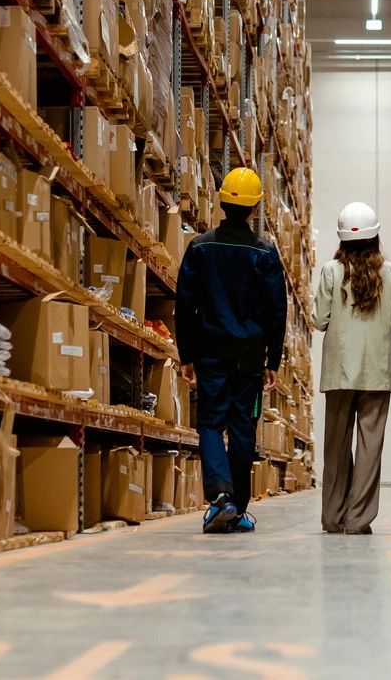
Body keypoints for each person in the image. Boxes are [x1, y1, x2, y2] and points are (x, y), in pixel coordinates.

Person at [175, 166, 288, 535]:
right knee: (242, 428)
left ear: (222, 202)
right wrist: (273, 359)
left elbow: (185, 304)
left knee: (210, 422)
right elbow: (277, 310)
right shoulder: (264, 252)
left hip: (210, 352)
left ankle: (220, 495)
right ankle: (236, 508)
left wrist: (186, 353)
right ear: (254, 208)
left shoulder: (201, 247)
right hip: (250, 357)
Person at [312, 202, 391, 535]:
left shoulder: (331, 272)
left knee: (336, 447)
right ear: (375, 236)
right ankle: (358, 520)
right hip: (377, 371)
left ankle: (333, 518)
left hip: (339, 371)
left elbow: (319, 320)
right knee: (370, 447)